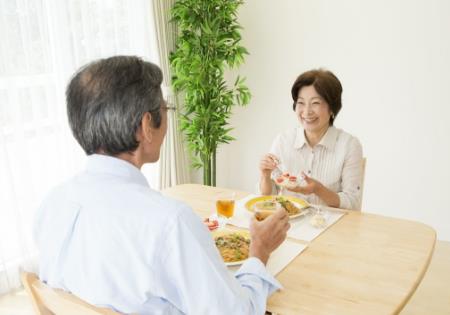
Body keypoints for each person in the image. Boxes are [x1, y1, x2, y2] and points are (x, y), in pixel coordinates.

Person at [33, 56, 290, 314]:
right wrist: (259, 251)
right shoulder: (170, 222)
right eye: (165, 109)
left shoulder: (53, 203)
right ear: (146, 126)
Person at [259, 69, 363, 210]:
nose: (306, 111)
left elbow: (352, 202)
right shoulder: (283, 140)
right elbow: (268, 197)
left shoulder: (349, 145)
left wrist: (318, 189)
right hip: (288, 225)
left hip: (331, 226)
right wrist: (265, 176)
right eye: (301, 103)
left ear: (332, 108)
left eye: (315, 103)